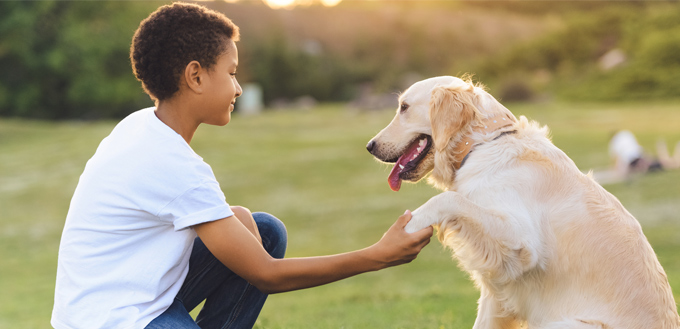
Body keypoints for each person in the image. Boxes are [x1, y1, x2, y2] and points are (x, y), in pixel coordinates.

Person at [50, 3, 434, 329]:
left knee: (263, 231)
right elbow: (266, 275)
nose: (238, 88)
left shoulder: (139, 126)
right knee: (259, 252)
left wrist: (235, 216)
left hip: (118, 299)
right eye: (232, 73)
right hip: (110, 321)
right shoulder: (172, 164)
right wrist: (377, 255)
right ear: (196, 76)